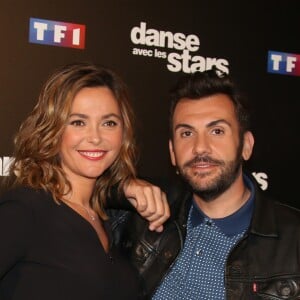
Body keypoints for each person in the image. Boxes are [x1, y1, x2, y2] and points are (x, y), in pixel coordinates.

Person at [114, 69, 300, 299]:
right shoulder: (142, 216)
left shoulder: (293, 242)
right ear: (172, 152)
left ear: (246, 146)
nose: (200, 147)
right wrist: (124, 187)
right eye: (186, 133)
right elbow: (72, 188)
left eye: (217, 131)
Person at [0, 62, 169, 300]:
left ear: (124, 133)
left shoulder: (108, 220)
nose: (95, 137)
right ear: (53, 130)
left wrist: (128, 185)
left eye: (109, 123)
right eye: (78, 122)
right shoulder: (24, 211)